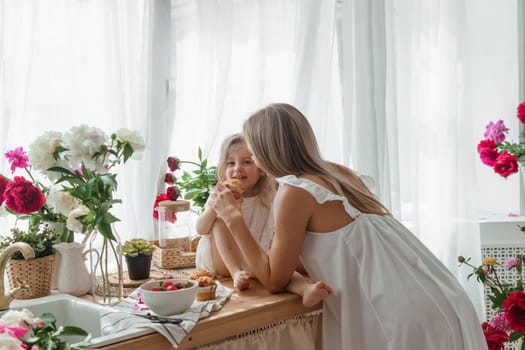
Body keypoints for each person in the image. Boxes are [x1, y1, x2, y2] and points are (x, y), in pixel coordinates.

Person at [209, 103, 488, 349]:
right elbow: (335, 252)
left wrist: (233, 218)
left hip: (398, 317)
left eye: (254, 153)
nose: (254, 161)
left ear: (267, 150)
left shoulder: (295, 190)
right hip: (440, 297)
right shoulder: (337, 173)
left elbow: (273, 280)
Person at [195, 133, 332, 306]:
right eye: (231, 163)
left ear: (261, 168)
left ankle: (306, 289)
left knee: (282, 270)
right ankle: (236, 272)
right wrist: (216, 209)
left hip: (257, 258)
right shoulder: (221, 194)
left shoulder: (270, 196)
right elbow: (200, 229)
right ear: (223, 166)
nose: (238, 168)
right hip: (224, 262)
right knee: (221, 219)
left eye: (246, 162)